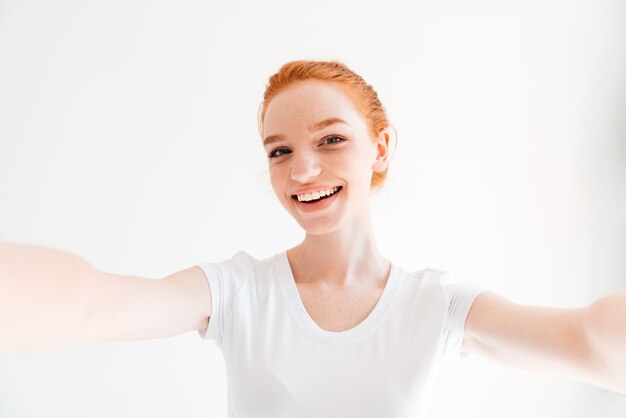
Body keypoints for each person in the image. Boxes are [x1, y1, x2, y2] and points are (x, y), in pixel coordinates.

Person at [0, 60, 624, 417]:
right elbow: (92, 303)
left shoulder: (439, 306)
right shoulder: (237, 291)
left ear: (380, 147)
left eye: (330, 140)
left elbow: (592, 344)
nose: (302, 171)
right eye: (280, 151)